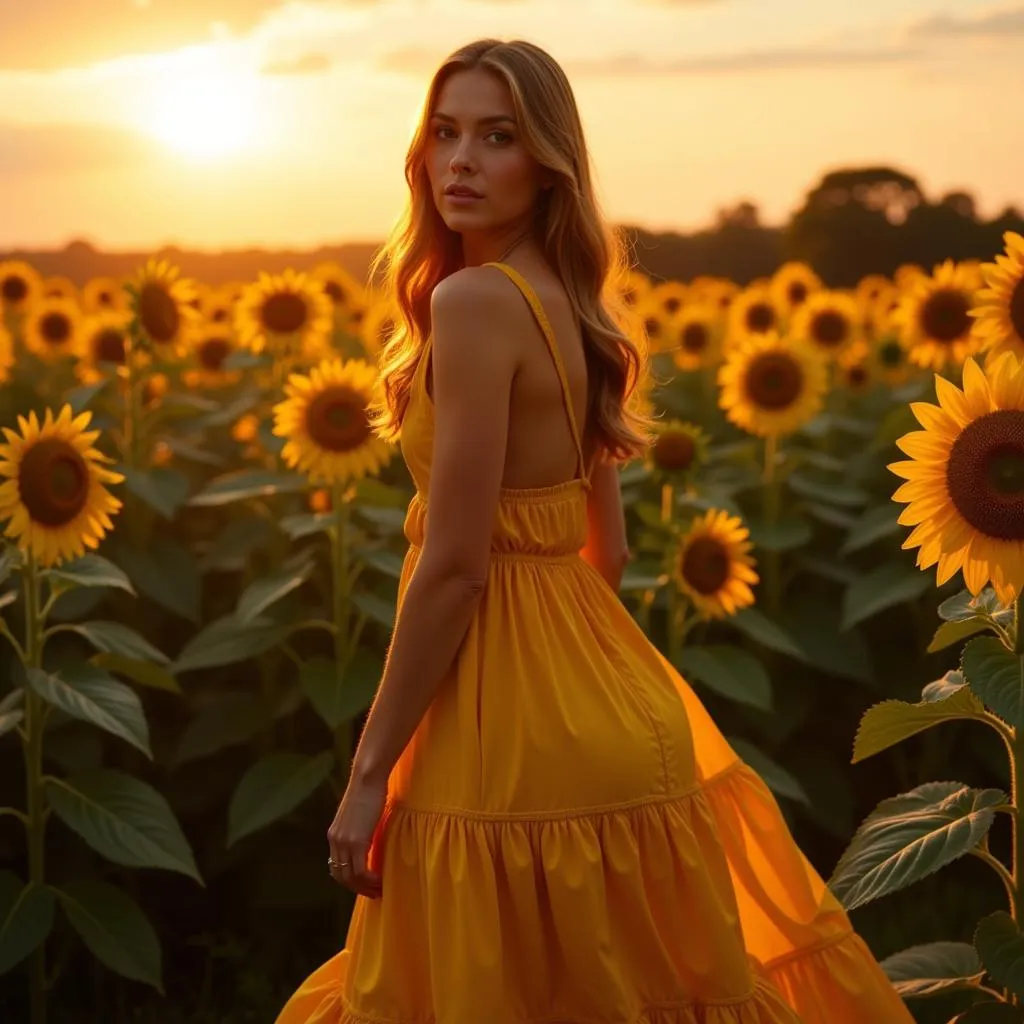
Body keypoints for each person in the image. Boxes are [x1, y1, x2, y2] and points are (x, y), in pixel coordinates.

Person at [274, 38, 914, 1024]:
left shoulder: (474, 301)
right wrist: (565, 680)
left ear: (548, 163)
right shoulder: (572, 307)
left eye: (497, 137)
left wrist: (368, 774)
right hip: (615, 710)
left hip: (506, 736)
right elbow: (603, 552)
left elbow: (451, 569)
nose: (461, 161)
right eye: (445, 133)